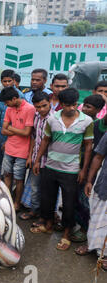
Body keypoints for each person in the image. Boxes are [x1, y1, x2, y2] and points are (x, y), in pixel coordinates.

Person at [31, 88, 94, 252]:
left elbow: (88, 147)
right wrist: (37, 160)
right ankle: (48, 225)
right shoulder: (52, 119)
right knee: (47, 199)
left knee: (69, 204)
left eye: (74, 105)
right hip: (51, 166)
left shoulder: (86, 121)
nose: (71, 108)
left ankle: (66, 234)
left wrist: (83, 170)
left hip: (71, 170)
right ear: (61, 104)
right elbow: (45, 141)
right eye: (67, 105)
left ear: (77, 103)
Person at [0, 86, 35, 211]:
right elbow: (3, 130)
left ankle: (17, 203)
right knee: (7, 175)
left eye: (7, 102)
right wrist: (17, 130)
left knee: (19, 178)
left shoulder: (30, 109)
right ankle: (7, 201)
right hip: (9, 148)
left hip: (22, 151)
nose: (6, 104)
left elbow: (27, 133)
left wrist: (10, 128)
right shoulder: (10, 108)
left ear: (14, 98)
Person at [74, 133, 107, 270]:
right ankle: (92, 244)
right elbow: (98, 156)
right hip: (104, 183)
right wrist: (89, 181)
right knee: (96, 214)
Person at [20, 91, 52, 221]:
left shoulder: (54, 118)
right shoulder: (37, 116)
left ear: (49, 102)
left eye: (44, 105)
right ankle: (34, 210)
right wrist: (30, 157)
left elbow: (49, 142)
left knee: (47, 190)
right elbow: (33, 138)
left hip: (49, 161)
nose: (41, 109)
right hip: (36, 159)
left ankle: (44, 215)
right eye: (38, 107)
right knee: (34, 187)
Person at [0, 69, 24, 177]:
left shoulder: (19, 96)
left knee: (8, 166)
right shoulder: (1, 94)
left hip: (11, 136)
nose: (7, 84)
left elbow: (19, 121)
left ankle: (6, 189)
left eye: (9, 81)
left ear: (14, 81)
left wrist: (9, 139)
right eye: (4, 81)